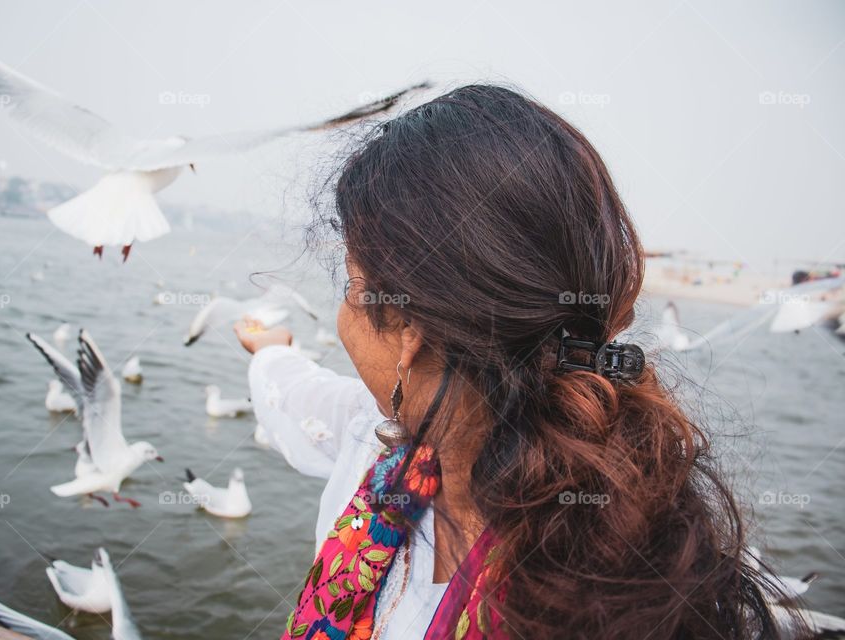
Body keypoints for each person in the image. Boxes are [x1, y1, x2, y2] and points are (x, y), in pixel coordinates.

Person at [234, 85, 785, 639]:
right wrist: (271, 350)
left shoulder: (566, 611)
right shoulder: (639, 537)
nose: (344, 314)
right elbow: (297, 398)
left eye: (352, 287)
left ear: (407, 333)